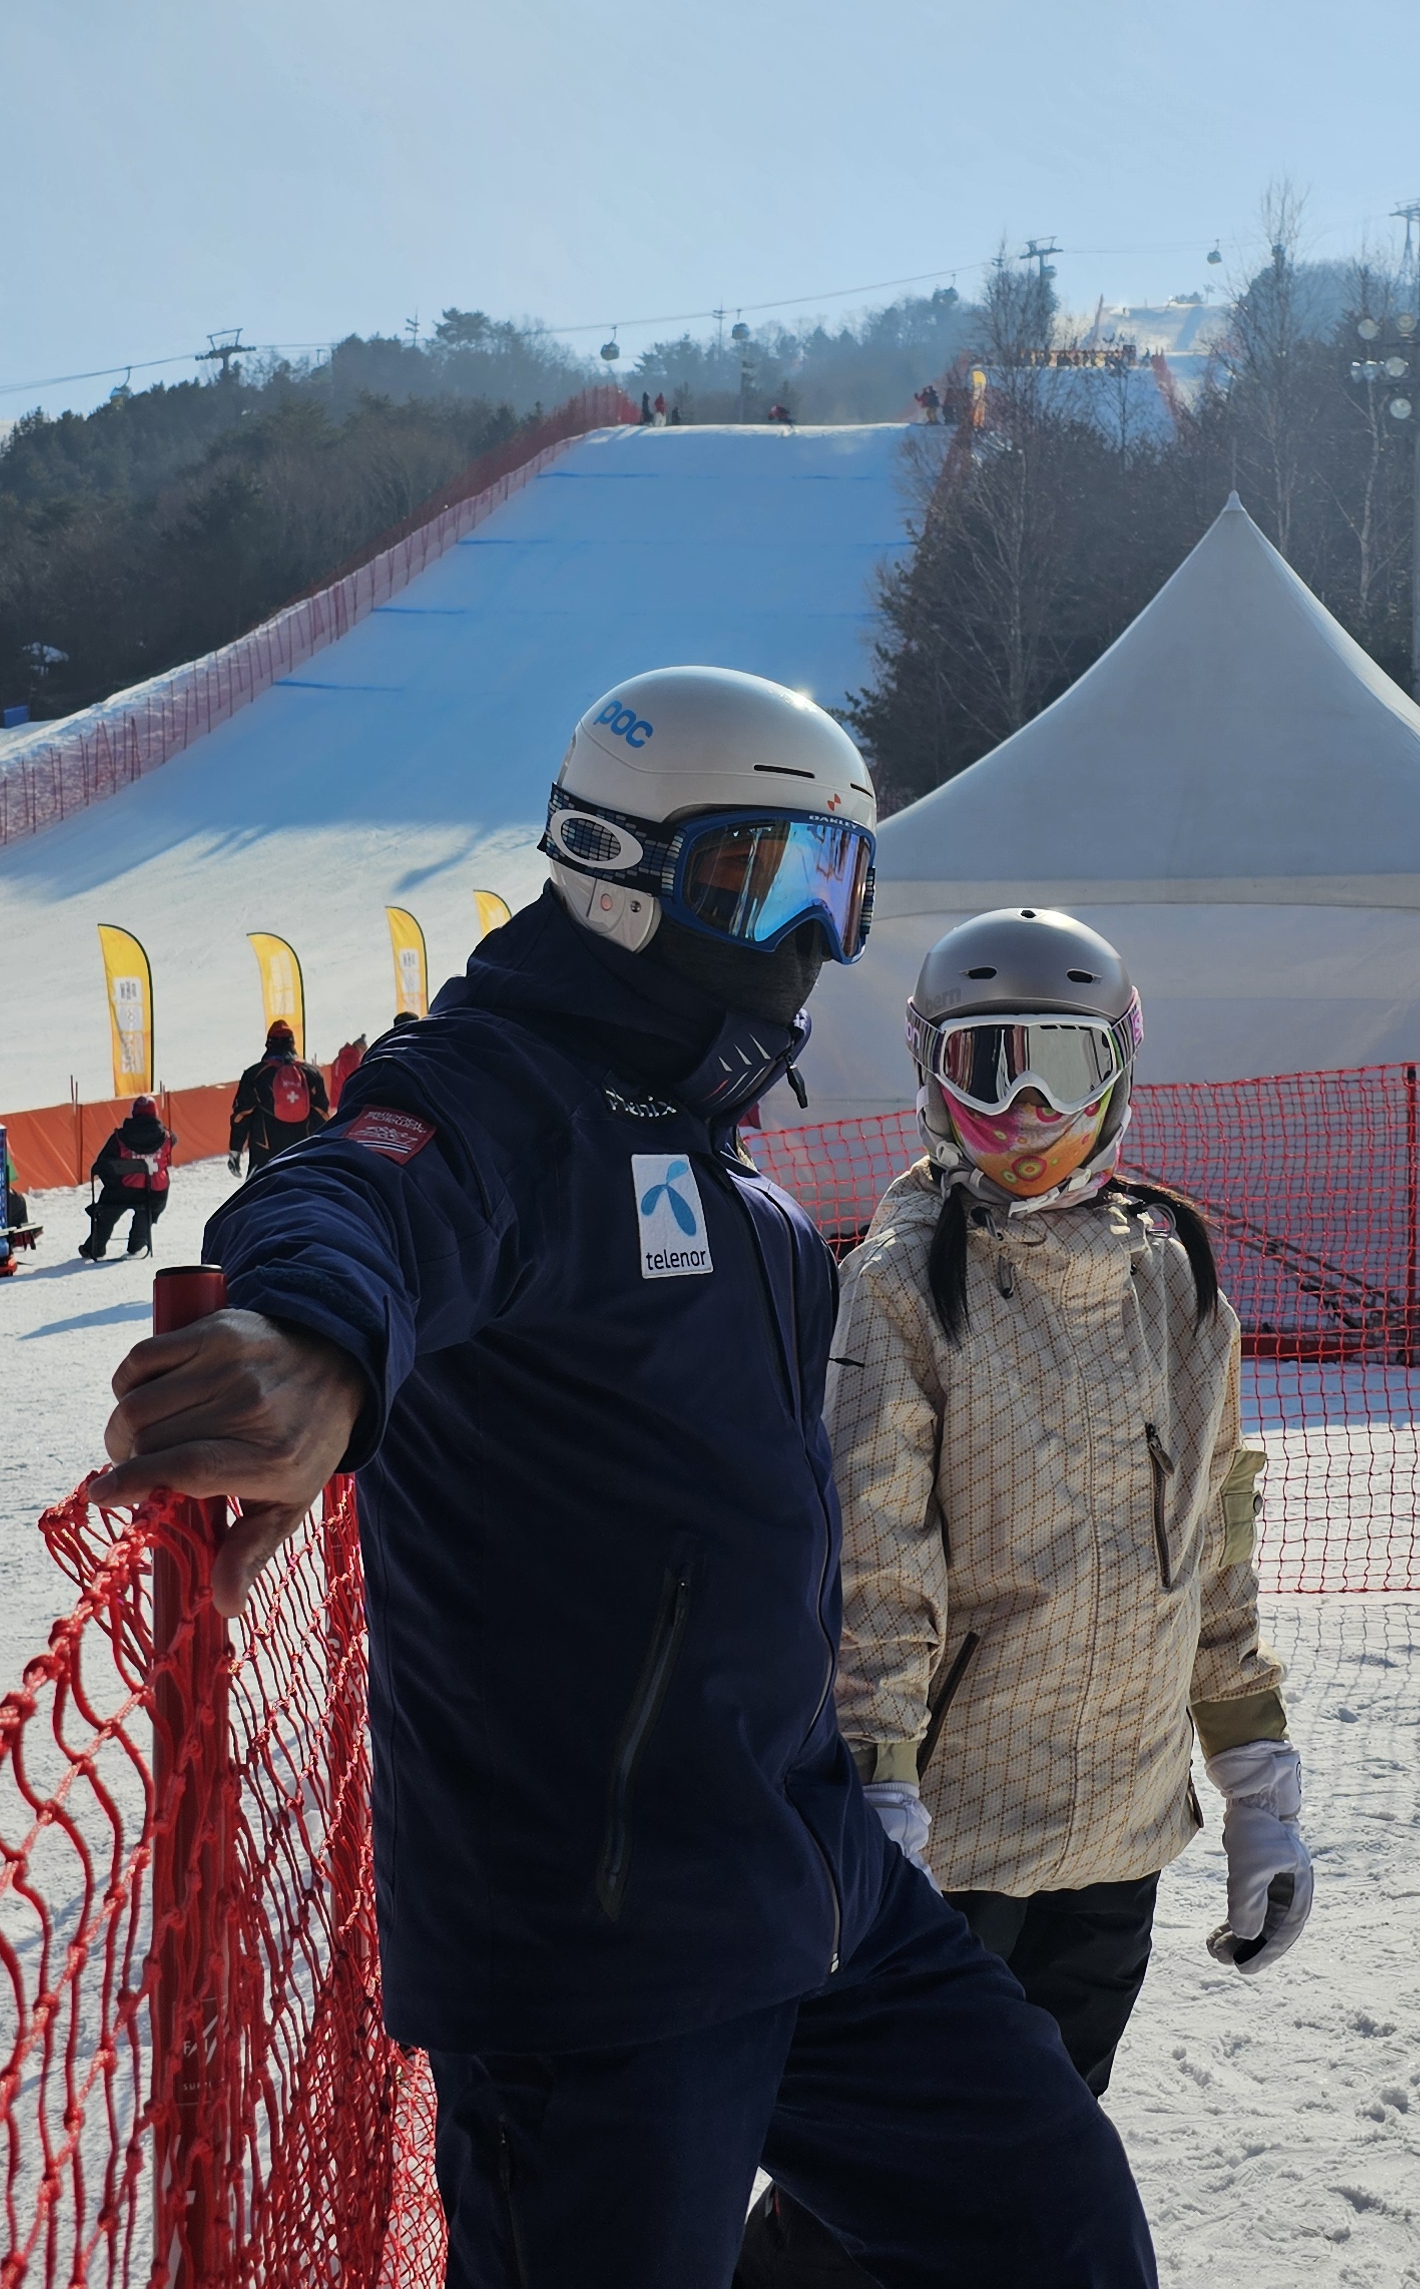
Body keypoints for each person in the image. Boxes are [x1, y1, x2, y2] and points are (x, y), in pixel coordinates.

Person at [93, 669, 1154, 2289]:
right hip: (600, 1963)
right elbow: (359, 1196)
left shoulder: (730, 1171)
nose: (805, 933)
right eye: (756, 876)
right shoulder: (508, 1088)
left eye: (838, 884)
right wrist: (316, 1342)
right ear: (611, 864)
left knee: (1056, 2227)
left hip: (808, 1883)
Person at [734, 909, 1305, 2286]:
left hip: (1117, 1827)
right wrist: (879, 1787)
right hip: (958, 1842)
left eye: (1060, 1061)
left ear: (1120, 1067)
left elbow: (1211, 1547)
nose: (1027, 1108)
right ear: (930, 1069)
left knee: (1039, 2164)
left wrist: (1256, 1780)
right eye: (989, 1064)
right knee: (883, 2181)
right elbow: (875, 1563)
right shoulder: (902, 1285)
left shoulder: (1174, 1276)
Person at [229, 1019, 327, 1175]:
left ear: (268, 1044)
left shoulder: (254, 1074)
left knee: (264, 1189)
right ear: (292, 1043)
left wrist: (235, 1149)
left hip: (265, 1153)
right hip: (303, 1151)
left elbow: (242, 1115)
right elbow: (322, 1114)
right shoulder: (311, 1073)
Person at [82, 1096, 174, 1262]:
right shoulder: (168, 1137)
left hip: (122, 1191)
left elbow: (101, 1165)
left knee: (109, 1205)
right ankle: (137, 1243)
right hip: (153, 1193)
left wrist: (113, 1182)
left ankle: (95, 1247)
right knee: (148, 1206)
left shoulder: (119, 1138)